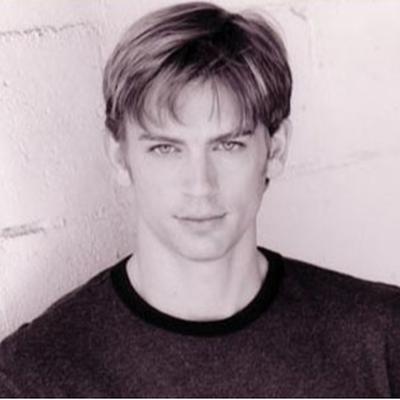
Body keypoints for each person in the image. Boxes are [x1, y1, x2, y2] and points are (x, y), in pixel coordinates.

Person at [0, 1, 399, 397]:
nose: (200, 185)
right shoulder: (32, 378)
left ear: (275, 150)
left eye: (228, 145)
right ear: (120, 156)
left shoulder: (382, 338)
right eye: (165, 148)